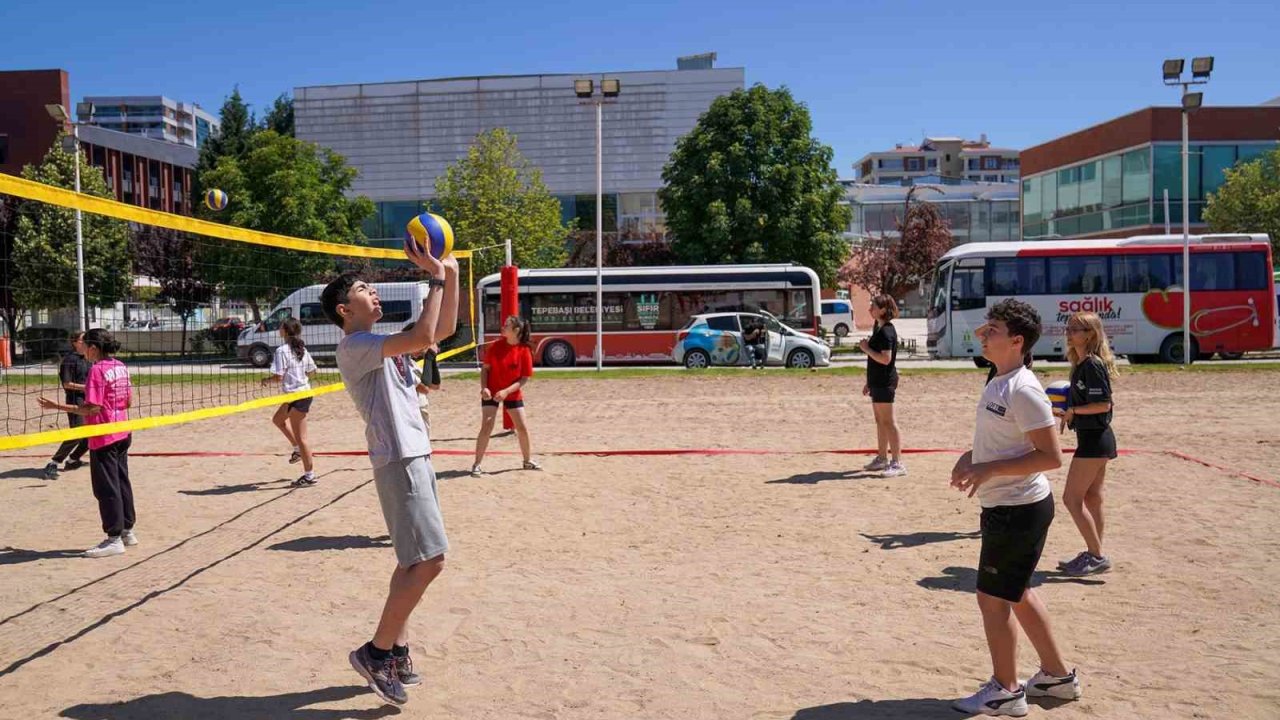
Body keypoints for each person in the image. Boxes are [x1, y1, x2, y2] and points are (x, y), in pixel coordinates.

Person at [321, 235, 460, 707]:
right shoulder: (356, 346)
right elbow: (423, 337)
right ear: (344, 309)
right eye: (364, 288)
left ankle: (396, 649)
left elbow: (439, 332)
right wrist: (435, 277)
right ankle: (376, 652)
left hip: (413, 455)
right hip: (398, 458)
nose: (374, 291)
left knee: (413, 561)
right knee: (431, 560)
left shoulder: (380, 343)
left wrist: (452, 274)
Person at [949, 299, 1081, 716]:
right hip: (1009, 505)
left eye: (993, 330)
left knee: (993, 598)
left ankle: (1006, 691)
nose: (983, 334)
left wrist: (987, 469)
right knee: (1017, 591)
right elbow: (1005, 440)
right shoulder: (999, 378)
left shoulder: (1024, 388)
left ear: (1017, 341)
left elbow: (1050, 456)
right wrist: (971, 457)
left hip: (1018, 508)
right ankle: (1058, 678)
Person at [38, 329, 137, 559]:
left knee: (106, 486)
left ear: (93, 348)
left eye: (86, 346)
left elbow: (92, 408)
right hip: (122, 430)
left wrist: (58, 407)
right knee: (122, 480)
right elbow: (129, 401)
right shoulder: (121, 366)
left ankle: (113, 538)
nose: (83, 350)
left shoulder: (97, 370)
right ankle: (127, 531)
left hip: (103, 434)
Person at [1057, 312, 1119, 577]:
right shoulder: (1081, 363)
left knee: (1071, 499)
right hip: (1095, 438)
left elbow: (1103, 404)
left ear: (1090, 334)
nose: (1069, 333)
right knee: (1092, 498)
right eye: (1068, 328)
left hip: (1095, 440)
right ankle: (1095, 553)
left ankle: (1096, 555)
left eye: (1075, 329)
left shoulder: (1092, 364)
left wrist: (1072, 411)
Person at [471, 315, 540, 477]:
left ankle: (527, 461)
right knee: (487, 426)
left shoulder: (524, 350)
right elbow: (485, 369)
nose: (502, 327)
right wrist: (484, 388)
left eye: (506, 325)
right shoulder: (496, 346)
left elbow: (524, 379)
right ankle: (477, 464)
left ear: (516, 331)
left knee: (522, 427)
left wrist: (507, 391)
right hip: (492, 391)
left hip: (511, 392)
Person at [261, 318, 319, 487]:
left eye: (280, 326)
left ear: (285, 330)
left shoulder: (282, 350)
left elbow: (278, 377)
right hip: (298, 394)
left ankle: (310, 476)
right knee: (277, 420)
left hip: (298, 396)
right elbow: (313, 371)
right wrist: (300, 378)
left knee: (303, 439)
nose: (278, 329)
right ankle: (296, 450)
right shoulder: (301, 348)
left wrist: (266, 380)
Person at [859, 295, 905, 477]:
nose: (870, 309)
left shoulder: (887, 331)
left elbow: (885, 359)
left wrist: (866, 349)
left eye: (873, 306)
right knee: (880, 421)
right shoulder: (878, 327)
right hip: (877, 380)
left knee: (889, 422)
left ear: (883, 310)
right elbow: (876, 361)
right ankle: (882, 458)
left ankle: (897, 463)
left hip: (885, 381)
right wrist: (869, 382)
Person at [43, 331, 91, 480]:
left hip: (90, 399)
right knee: (76, 433)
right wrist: (87, 387)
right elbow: (67, 384)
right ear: (75, 342)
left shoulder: (89, 358)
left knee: (94, 433)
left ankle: (73, 460)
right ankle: (53, 463)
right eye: (83, 340)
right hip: (75, 400)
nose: (86, 342)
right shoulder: (69, 360)